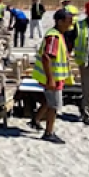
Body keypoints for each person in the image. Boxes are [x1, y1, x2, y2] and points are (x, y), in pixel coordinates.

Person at [31, 9, 75, 144]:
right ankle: (48, 132)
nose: (70, 25)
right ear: (60, 22)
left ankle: (36, 120)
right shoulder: (54, 37)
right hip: (52, 78)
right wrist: (50, 78)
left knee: (47, 101)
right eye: (68, 22)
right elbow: (46, 57)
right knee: (54, 106)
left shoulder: (58, 34)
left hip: (55, 77)